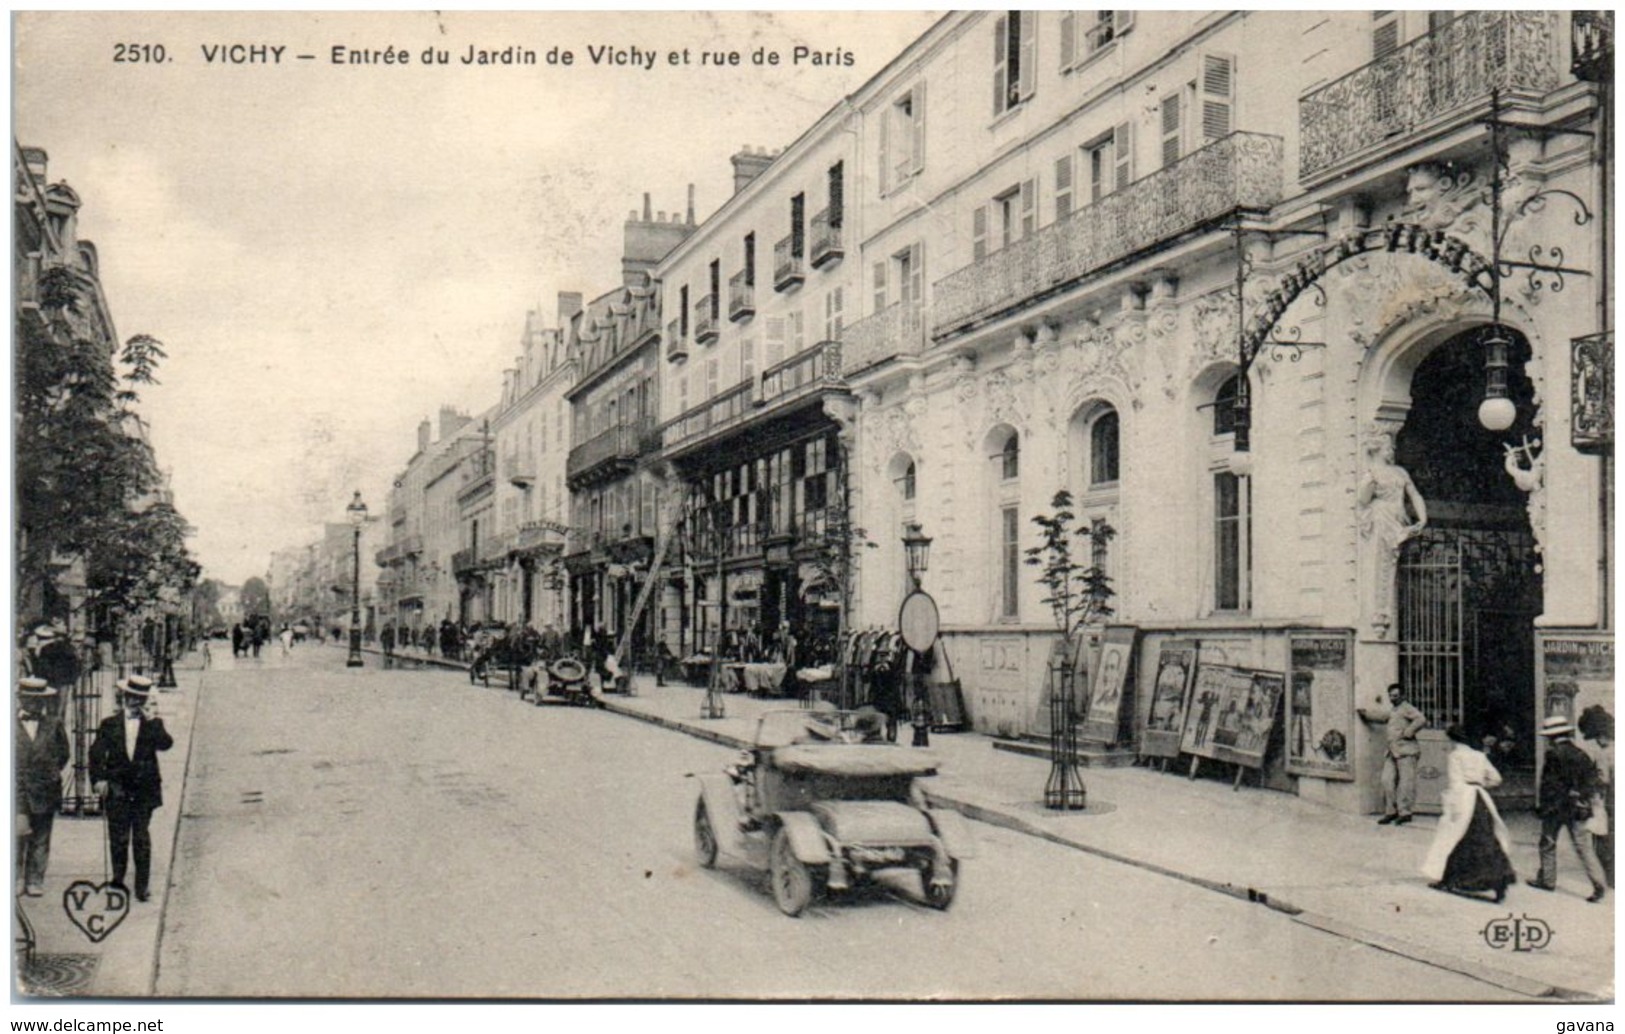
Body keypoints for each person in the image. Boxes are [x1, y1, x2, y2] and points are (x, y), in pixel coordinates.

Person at [89, 676, 174, 902]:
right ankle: (117, 880)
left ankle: (142, 886)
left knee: (141, 837)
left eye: (141, 698)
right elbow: (96, 754)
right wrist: (98, 780)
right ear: (124, 697)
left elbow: (166, 744)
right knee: (118, 837)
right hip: (118, 788)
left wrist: (154, 721)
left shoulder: (153, 724)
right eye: (132, 697)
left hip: (144, 790)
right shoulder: (109, 724)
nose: (136, 702)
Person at [1420, 725, 1517, 902]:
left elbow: (1455, 782)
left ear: (1452, 740)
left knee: (1453, 839)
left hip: (1464, 799)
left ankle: (1448, 879)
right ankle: (1498, 880)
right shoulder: (1479, 755)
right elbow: (1496, 778)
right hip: (1481, 798)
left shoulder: (1455, 756)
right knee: (1487, 838)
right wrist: (1480, 784)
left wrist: (1453, 808)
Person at [1528, 714, 1608, 902]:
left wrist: (1542, 807)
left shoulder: (1553, 754)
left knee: (1547, 844)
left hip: (1555, 809)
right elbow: (1591, 781)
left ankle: (1547, 881)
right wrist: (1580, 796)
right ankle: (1599, 885)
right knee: (1584, 848)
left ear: (1552, 736)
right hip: (1577, 808)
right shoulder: (1580, 754)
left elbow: (1549, 785)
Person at [15, 676, 70, 897]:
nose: (34, 704)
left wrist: (50, 772)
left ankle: (35, 879)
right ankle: (16, 878)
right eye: (29, 699)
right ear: (21, 699)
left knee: (41, 835)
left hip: (44, 788)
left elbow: (63, 753)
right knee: (16, 835)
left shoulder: (53, 723)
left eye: (39, 700)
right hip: (16, 789)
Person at [1359, 682, 1426, 826]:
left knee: (1406, 783)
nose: (1392, 698)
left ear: (1403, 695)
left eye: (1395, 696)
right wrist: (1366, 714)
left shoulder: (1407, 707)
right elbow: (1383, 717)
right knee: (1387, 780)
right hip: (1392, 751)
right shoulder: (1394, 710)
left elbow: (1421, 719)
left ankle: (1405, 812)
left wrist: (1409, 732)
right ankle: (1391, 811)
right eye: (1390, 696)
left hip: (1407, 751)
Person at [1578, 704, 1614, 888]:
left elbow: (1603, 779)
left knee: (1605, 837)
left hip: (1609, 799)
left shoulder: (1603, 753)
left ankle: (1611, 877)